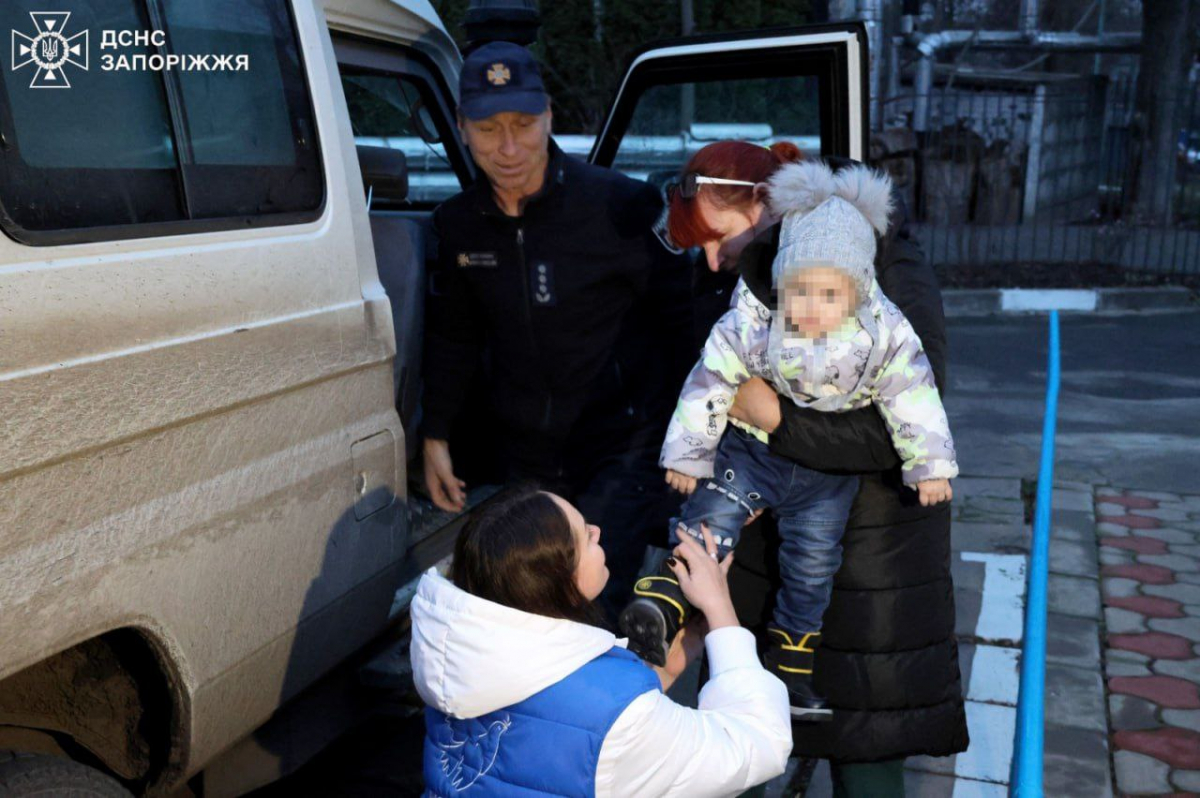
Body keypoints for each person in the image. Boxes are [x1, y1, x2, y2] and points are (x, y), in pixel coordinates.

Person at [665, 140, 969, 795]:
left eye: (721, 241)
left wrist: (775, 420)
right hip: (766, 557)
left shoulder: (896, 275)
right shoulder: (755, 271)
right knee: (741, 746)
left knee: (864, 754)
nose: (713, 261)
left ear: (762, 206)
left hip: (870, 577)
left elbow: (906, 426)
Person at [420, 41, 690, 605]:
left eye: (523, 123)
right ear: (462, 128)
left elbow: (682, 322)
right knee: (534, 602)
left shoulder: (623, 206)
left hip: (620, 442)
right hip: (526, 454)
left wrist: (694, 438)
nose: (510, 146)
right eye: (489, 129)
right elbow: (454, 335)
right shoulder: (457, 225)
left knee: (592, 597)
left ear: (548, 115)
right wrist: (436, 433)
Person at [409, 486, 791, 797]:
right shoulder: (618, 717)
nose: (597, 531)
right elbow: (760, 746)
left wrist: (676, 656)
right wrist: (721, 609)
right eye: (583, 536)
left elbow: (560, 728)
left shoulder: (458, 654)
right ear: (561, 581)